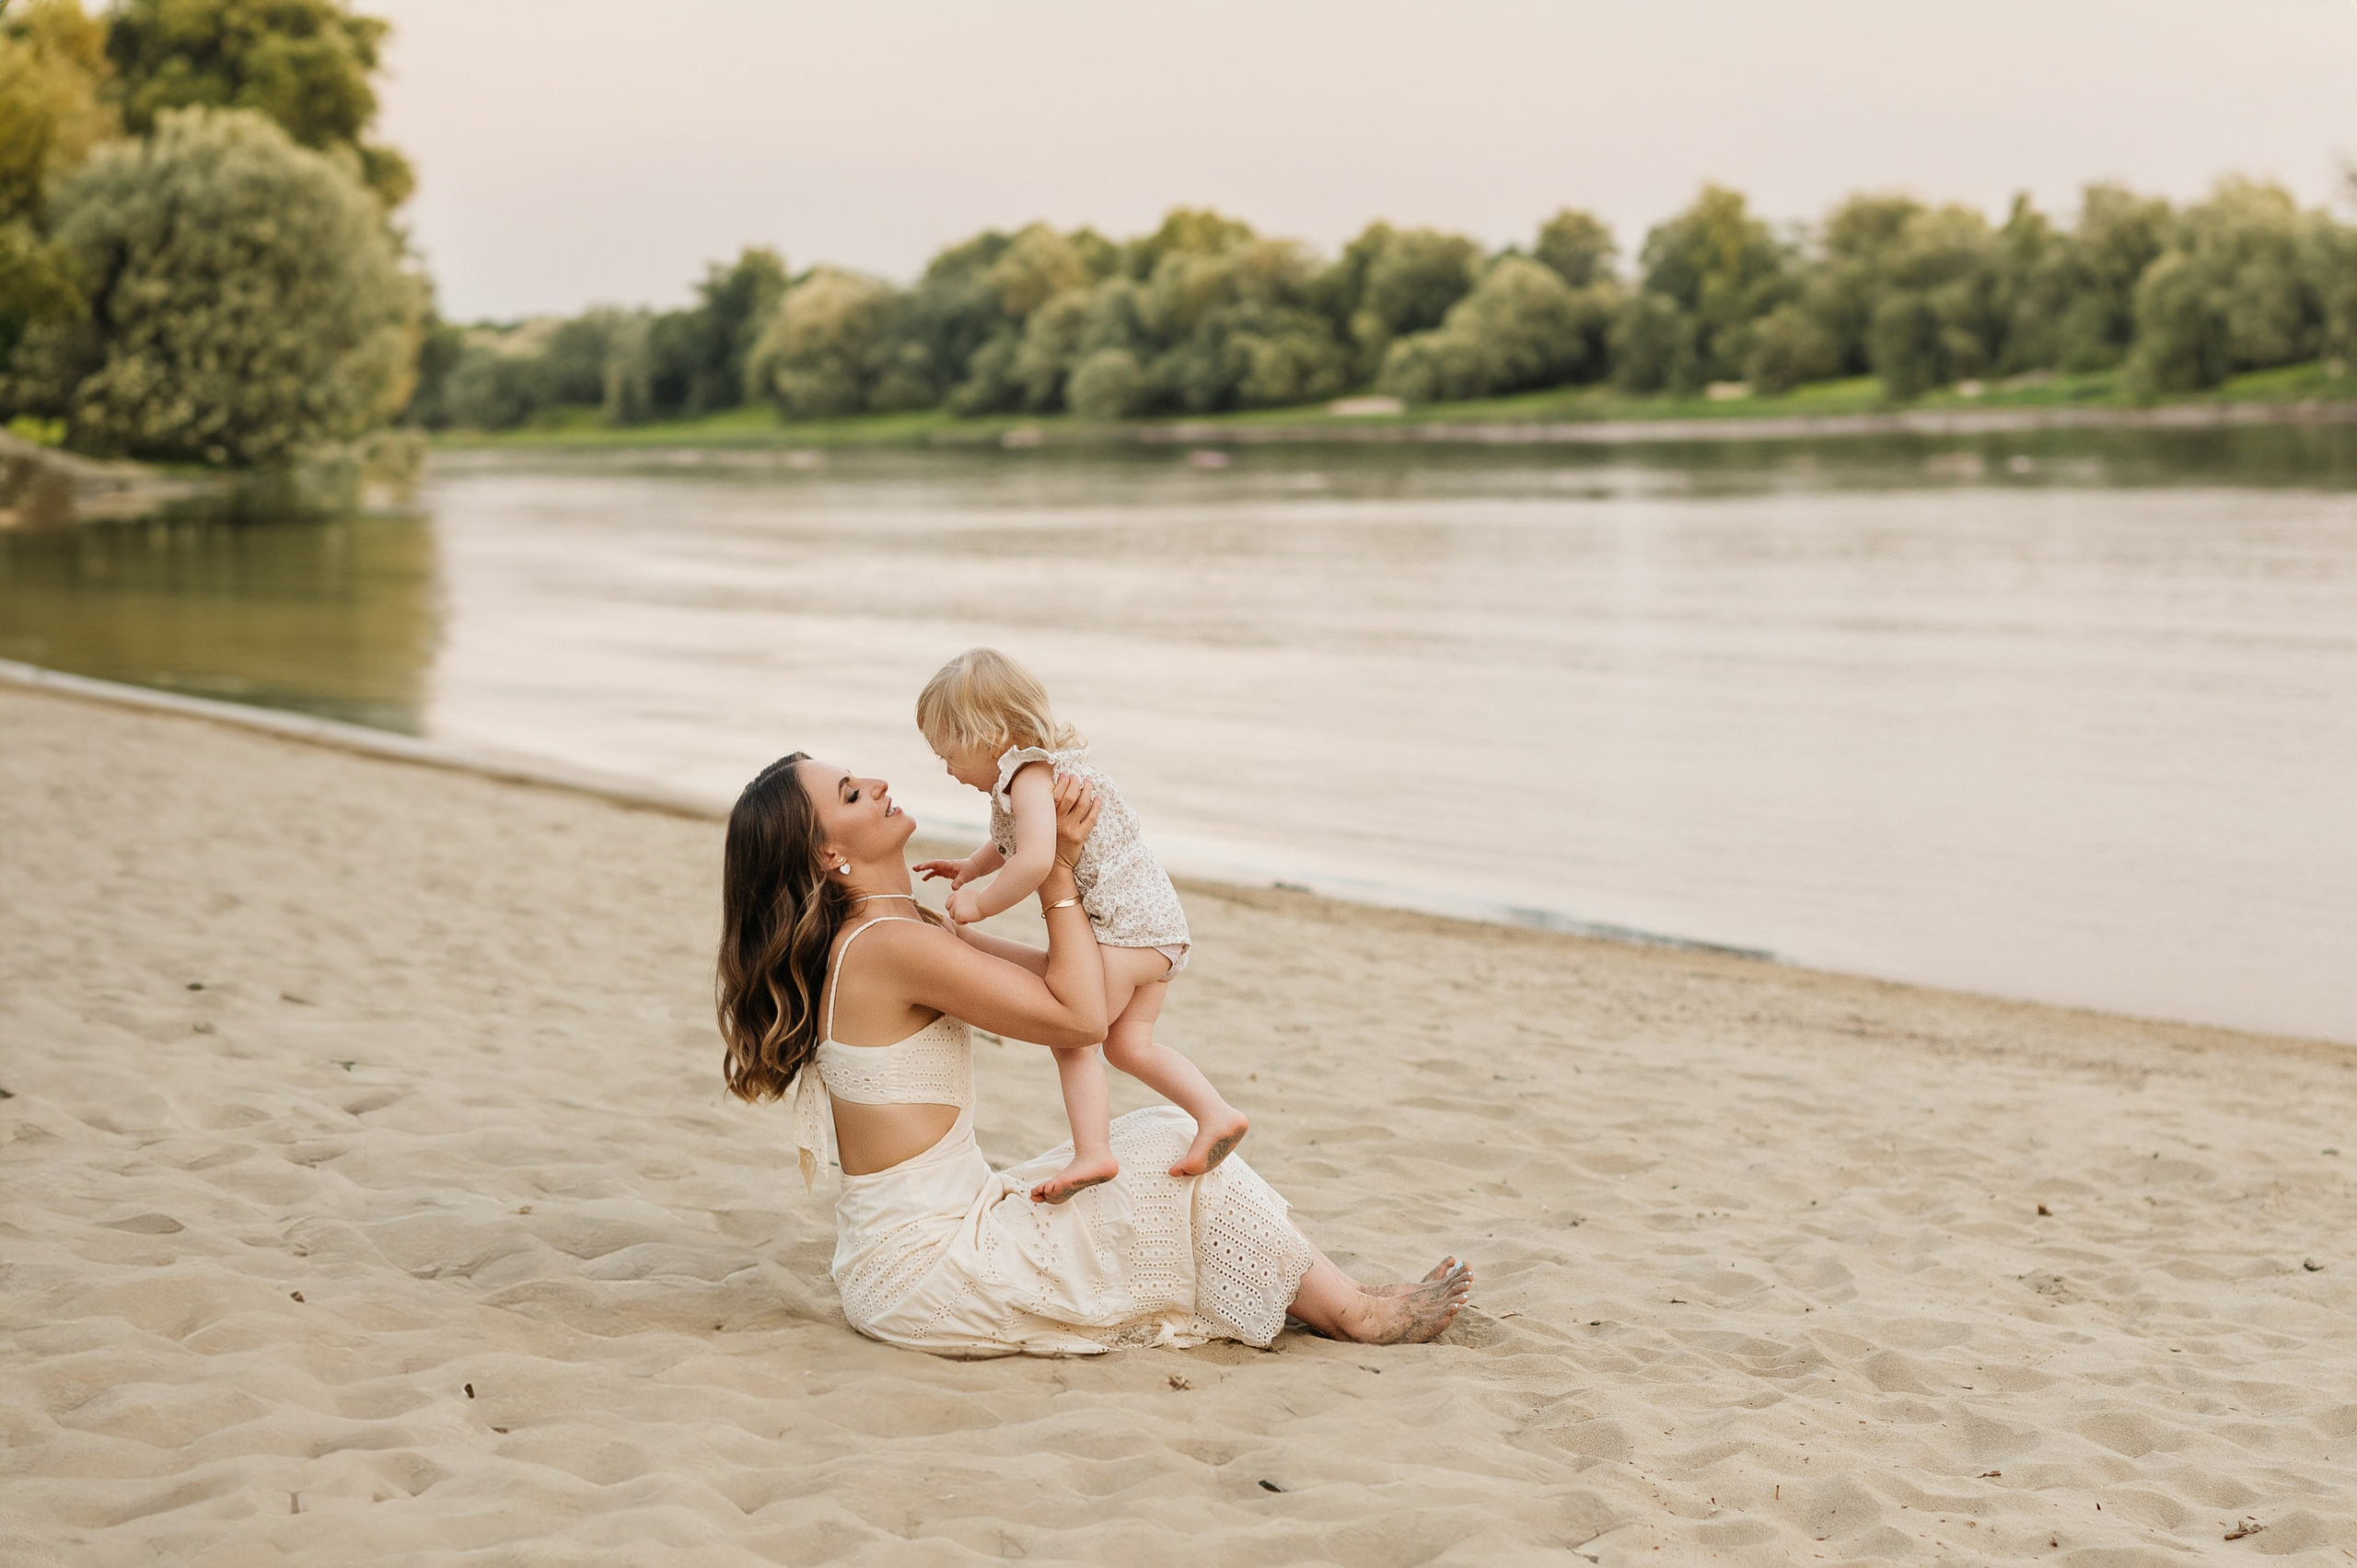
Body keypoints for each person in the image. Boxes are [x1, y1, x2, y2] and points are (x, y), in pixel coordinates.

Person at [715, 750, 1474, 1357]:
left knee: (1155, 1141)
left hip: (906, 1254)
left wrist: (1061, 863)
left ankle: (1340, 1299)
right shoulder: (889, 945)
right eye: (851, 794)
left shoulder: (894, 932)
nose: (878, 781)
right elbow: (1079, 1017)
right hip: (928, 1269)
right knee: (1175, 1141)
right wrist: (1056, 869)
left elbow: (1055, 981)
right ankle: (1355, 1314)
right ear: (828, 854)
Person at [911, 647, 1247, 1203]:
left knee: (1072, 1034)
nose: (946, 768)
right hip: (1155, 928)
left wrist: (982, 902)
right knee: (1129, 1046)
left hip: (1123, 930)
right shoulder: (1042, 772)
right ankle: (1216, 1113)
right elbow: (1013, 842)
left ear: (988, 734)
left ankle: (1093, 1153)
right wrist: (970, 867)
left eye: (948, 753)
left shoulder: (1027, 777)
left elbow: (1036, 858)